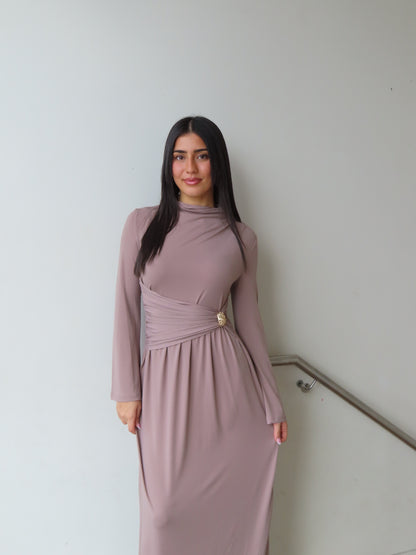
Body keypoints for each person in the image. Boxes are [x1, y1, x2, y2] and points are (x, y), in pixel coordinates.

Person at [111, 115, 288, 555]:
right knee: (165, 513)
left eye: (201, 156)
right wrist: (126, 390)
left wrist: (272, 400)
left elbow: (250, 322)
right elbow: (126, 309)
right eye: (179, 156)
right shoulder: (142, 224)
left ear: (217, 163)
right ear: (168, 164)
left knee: (232, 511)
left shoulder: (241, 238)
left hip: (228, 386)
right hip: (163, 386)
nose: (189, 168)